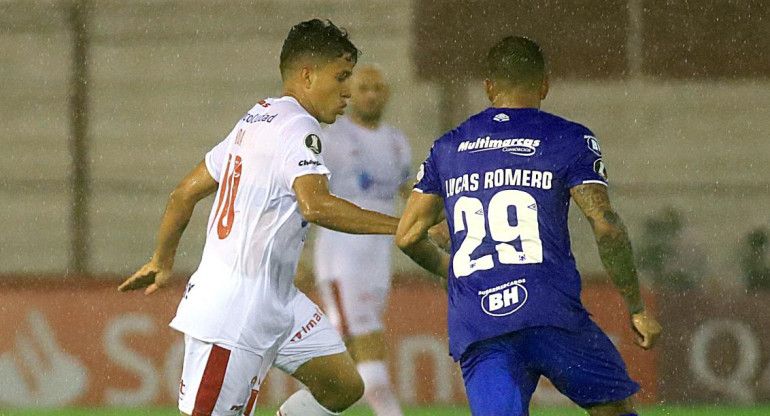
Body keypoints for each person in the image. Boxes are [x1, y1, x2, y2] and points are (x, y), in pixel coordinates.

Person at [118, 19, 401, 416]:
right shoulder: (299, 128)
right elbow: (315, 205)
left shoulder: (256, 118)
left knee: (342, 387)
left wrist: (162, 259)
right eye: (341, 78)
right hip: (234, 312)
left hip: (278, 301)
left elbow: (184, 193)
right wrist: (399, 227)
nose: (347, 92)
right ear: (307, 75)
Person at [395, 36, 662, 416]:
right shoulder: (570, 138)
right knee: (614, 411)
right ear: (544, 85)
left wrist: (450, 272)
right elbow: (606, 227)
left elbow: (407, 236)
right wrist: (636, 306)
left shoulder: (448, 147)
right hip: (550, 312)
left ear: (488, 87)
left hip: (480, 321)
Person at [313, 64, 411, 416]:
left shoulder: (397, 142)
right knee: (364, 340)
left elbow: (409, 193)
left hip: (378, 257)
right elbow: (309, 196)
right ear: (351, 92)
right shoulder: (332, 138)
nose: (371, 95)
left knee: (344, 349)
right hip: (342, 256)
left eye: (378, 88)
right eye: (364, 87)